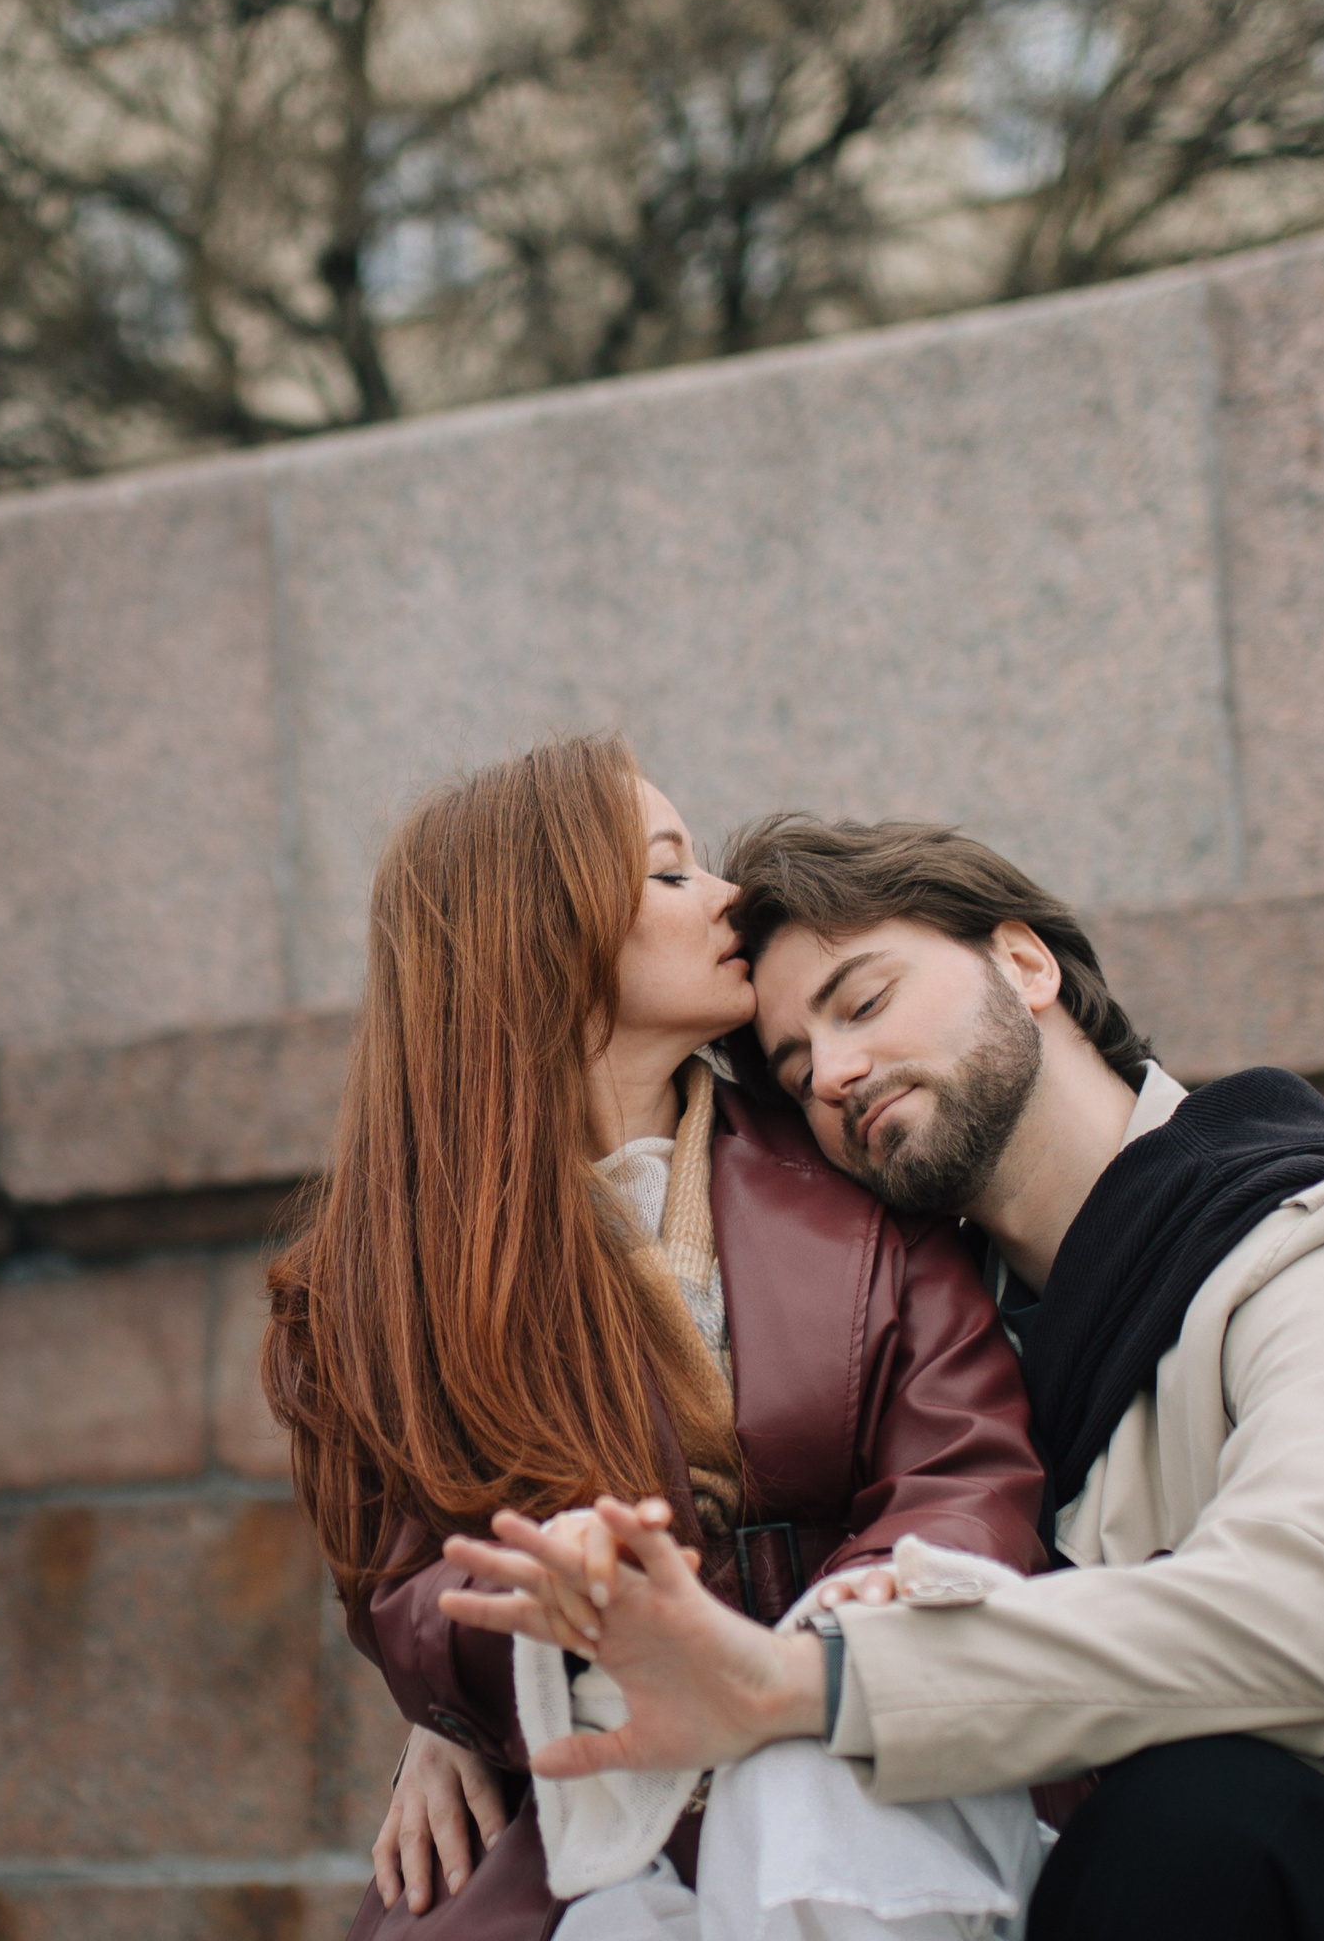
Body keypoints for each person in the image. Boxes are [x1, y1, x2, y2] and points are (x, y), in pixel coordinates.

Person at [441, 813, 1324, 1941]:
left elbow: (1314, 1610)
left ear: (1026, 964)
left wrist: (805, 1685)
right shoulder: (943, 1340)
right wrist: (467, 1711)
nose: (834, 1072)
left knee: (1192, 1813)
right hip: (1098, 1891)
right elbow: (748, 1536)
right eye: (796, 1067)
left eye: (863, 1000)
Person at [262, 745, 1051, 1941]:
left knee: (812, 1826)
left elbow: (965, 1464)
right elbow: (398, 1586)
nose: (731, 897)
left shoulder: (847, 1146)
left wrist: (812, 1656)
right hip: (594, 1798)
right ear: (547, 931)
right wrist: (546, 1602)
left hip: (858, 1728)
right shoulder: (369, 1279)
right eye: (672, 872)